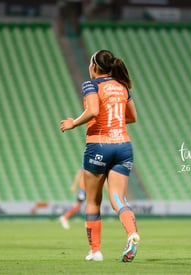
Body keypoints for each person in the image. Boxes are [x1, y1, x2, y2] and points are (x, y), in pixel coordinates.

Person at [60, 49, 140, 262]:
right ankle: (132, 233)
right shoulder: (122, 86)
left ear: (94, 67)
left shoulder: (91, 85)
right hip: (123, 145)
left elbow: (94, 111)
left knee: (93, 201)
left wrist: (74, 123)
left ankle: (95, 251)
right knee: (118, 199)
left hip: (99, 146)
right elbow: (132, 117)